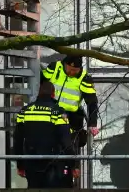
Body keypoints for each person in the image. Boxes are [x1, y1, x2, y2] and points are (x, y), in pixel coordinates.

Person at [42, 53, 100, 182]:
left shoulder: (84, 78)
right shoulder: (54, 68)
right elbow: (40, 82)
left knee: (68, 148)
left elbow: (92, 102)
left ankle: (69, 172)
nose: (72, 72)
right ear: (64, 64)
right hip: (49, 113)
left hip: (71, 118)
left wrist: (92, 123)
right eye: (69, 69)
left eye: (75, 70)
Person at [12, 81, 75, 189]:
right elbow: (66, 141)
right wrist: (73, 165)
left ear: (38, 93)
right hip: (53, 162)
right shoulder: (58, 112)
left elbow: (18, 139)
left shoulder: (24, 112)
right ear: (53, 94)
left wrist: (20, 165)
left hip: (31, 162)